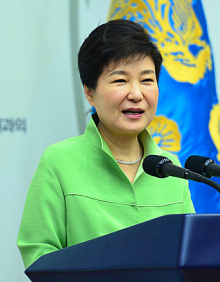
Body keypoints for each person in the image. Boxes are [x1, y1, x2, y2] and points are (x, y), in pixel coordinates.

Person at [17, 19, 195, 269]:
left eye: (147, 80)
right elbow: (40, 257)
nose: (136, 93)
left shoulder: (170, 168)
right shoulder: (59, 162)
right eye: (120, 81)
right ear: (89, 91)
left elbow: (190, 254)